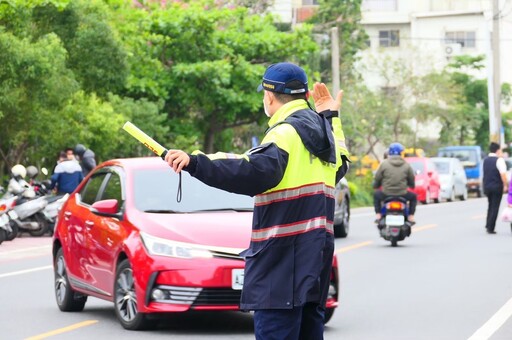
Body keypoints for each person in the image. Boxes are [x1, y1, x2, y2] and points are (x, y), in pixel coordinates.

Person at [164, 62, 349, 340]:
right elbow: (342, 165)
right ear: (306, 96)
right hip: (315, 262)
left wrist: (195, 162)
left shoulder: (285, 133)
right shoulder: (326, 134)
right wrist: (332, 116)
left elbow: (250, 171)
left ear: (269, 96)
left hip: (281, 265)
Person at [373, 142, 417, 223]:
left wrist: (376, 186)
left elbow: (377, 178)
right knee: (413, 197)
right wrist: (411, 186)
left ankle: (378, 215)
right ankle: (411, 216)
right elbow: (411, 179)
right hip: (402, 194)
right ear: (401, 153)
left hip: (386, 193)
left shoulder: (384, 164)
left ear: (389, 152)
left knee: (376, 195)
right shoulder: (407, 165)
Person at [482, 142, 508, 234]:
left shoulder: (485, 160)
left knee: (490, 205)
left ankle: (488, 224)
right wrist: (506, 185)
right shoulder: (499, 160)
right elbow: (503, 175)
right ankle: (491, 227)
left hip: (487, 186)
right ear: (497, 150)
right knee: (495, 207)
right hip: (496, 186)